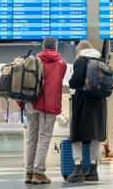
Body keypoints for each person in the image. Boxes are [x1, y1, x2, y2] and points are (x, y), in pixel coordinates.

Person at [21, 37, 67, 184]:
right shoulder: (61, 64)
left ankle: (29, 172)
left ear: (42, 46)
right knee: (44, 138)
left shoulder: (33, 61)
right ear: (56, 47)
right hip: (48, 105)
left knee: (31, 138)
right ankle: (38, 173)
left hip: (31, 103)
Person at [67, 40, 107, 183]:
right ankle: (93, 170)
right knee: (95, 138)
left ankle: (77, 170)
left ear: (79, 50)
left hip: (82, 104)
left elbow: (74, 82)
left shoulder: (81, 61)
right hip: (99, 106)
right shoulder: (102, 62)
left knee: (76, 137)